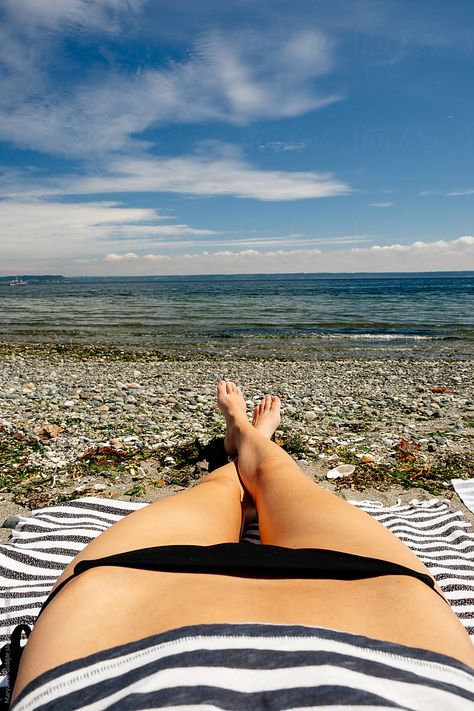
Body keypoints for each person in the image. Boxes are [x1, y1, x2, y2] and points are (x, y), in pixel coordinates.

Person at [10, 380, 474, 708]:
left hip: (127, 601)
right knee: (277, 477)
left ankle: (239, 440)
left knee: (220, 490)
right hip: (380, 610)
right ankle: (251, 439)